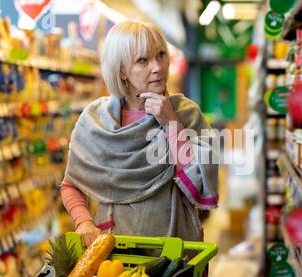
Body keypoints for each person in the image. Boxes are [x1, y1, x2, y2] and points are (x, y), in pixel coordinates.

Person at [60, 20, 219, 248]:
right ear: (122, 71)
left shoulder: (186, 113)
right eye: (143, 60)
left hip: (173, 251)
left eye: (161, 55)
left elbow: (201, 181)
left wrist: (170, 122)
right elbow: (71, 184)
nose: (157, 67)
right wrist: (83, 222)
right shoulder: (95, 121)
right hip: (113, 251)